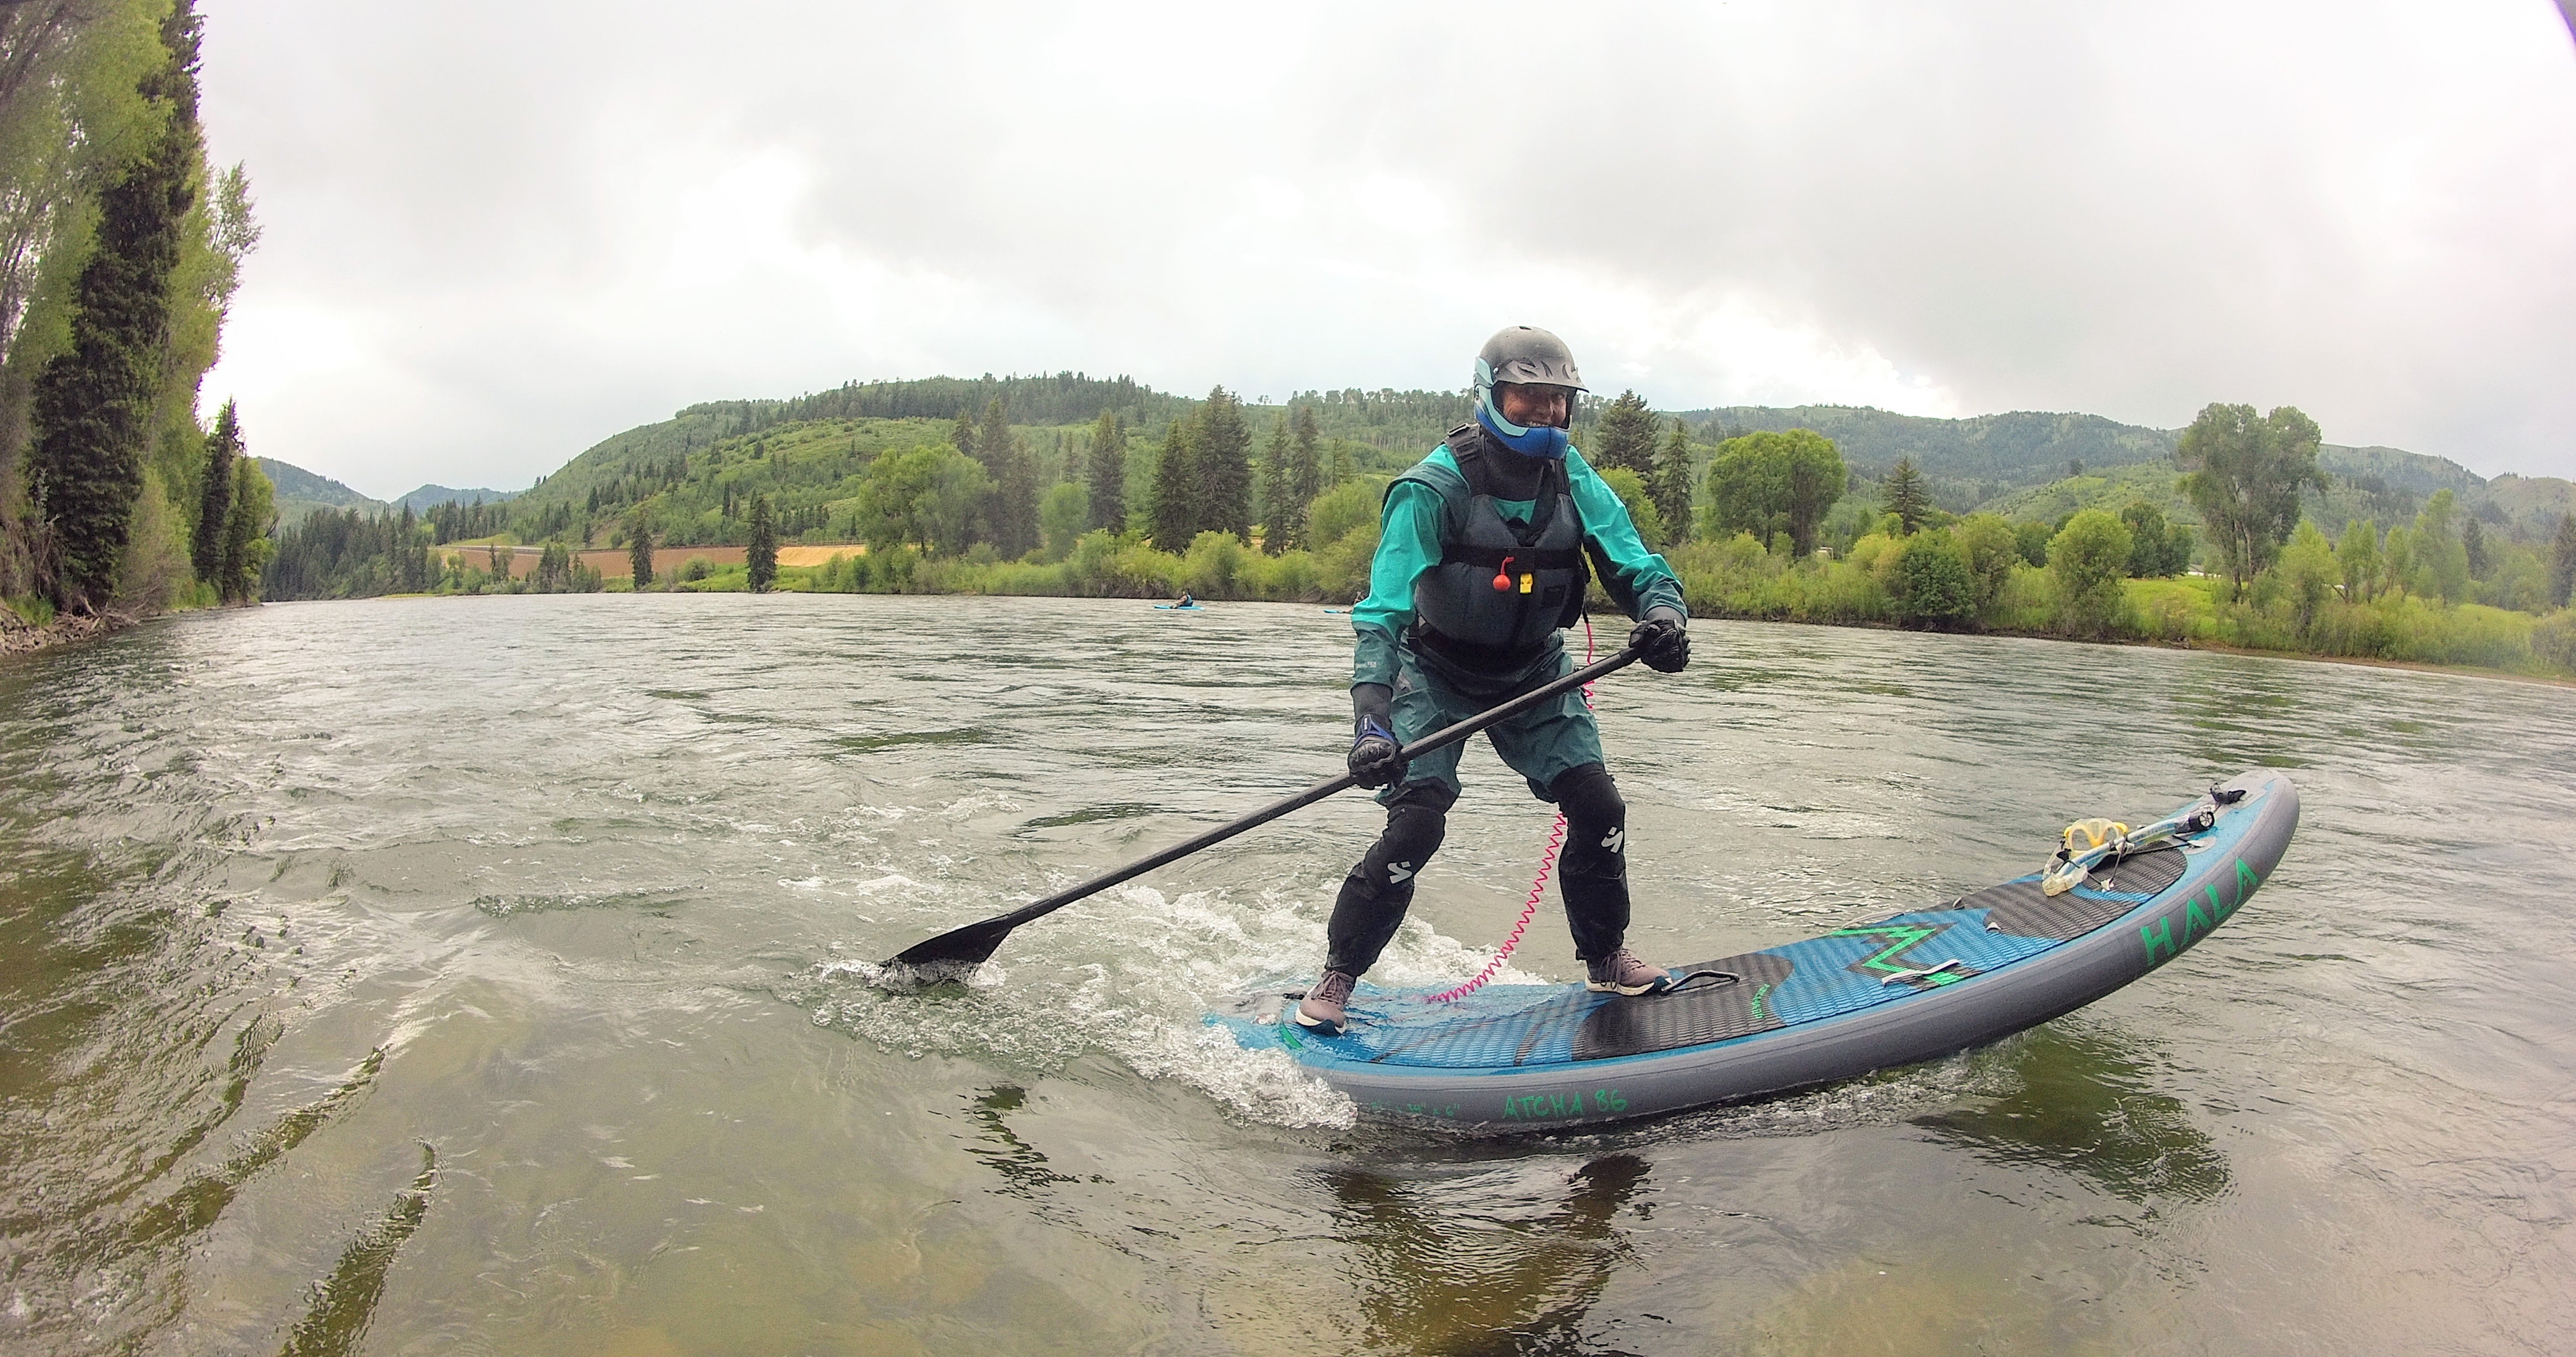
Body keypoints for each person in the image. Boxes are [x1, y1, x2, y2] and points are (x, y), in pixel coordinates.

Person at [1296, 326, 1691, 1037]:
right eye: (1528, 397)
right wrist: (1372, 724)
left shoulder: (1575, 479)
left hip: (1534, 671)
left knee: (1599, 807)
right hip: (1433, 671)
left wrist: (1663, 617)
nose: (1546, 412)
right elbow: (1382, 615)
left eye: (1558, 400)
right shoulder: (1431, 488)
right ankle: (1339, 975)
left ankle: (1606, 958)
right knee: (1417, 823)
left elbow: (1635, 565)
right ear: (1490, 396)